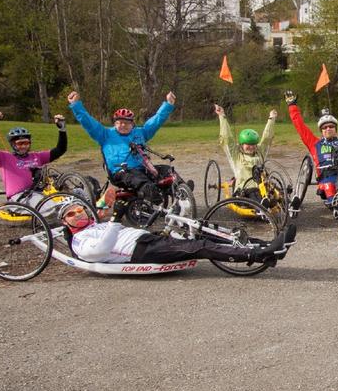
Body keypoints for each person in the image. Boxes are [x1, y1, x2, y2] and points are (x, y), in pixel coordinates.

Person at [59, 204, 297, 266]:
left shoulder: (94, 225)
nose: (78, 215)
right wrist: (113, 221)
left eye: (80, 210)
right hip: (140, 252)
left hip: (149, 239)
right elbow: (98, 251)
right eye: (72, 214)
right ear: (65, 222)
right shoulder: (81, 240)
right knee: (200, 246)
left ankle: (268, 246)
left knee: (206, 233)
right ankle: (260, 255)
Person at [68, 91, 176, 203]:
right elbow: (87, 121)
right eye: (119, 122)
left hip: (143, 169)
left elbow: (157, 120)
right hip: (121, 172)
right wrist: (76, 105)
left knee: (167, 170)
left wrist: (168, 104)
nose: (123, 125)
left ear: (132, 124)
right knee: (138, 178)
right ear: (115, 124)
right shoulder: (105, 135)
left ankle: (182, 192)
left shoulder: (141, 132)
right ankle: (153, 199)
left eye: (126, 123)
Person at [286, 89, 338, 215]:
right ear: (321, 130)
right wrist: (292, 106)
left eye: (331, 126)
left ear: (335, 128)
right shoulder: (315, 144)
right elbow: (300, 126)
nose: (328, 129)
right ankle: (335, 205)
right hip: (326, 177)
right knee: (329, 185)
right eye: (325, 127)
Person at [0, 109, 68, 212]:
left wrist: (62, 130)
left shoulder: (36, 156)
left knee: (71, 198)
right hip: (19, 199)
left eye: (26, 143)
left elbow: (60, 149)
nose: (24, 146)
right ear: (13, 144)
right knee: (53, 208)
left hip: (37, 194)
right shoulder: (4, 158)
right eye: (20, 144)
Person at [214, 104, 277, 202]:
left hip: (263, 187)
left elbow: (267, 138)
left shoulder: (259, 153)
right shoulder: (236, 155)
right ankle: (262, 207)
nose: (251, 147)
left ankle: (289, 203)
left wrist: (271, 119)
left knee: (276, 190)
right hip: (245, 190)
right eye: (247, 144)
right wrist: (222, 115)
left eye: (253, 144)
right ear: (241, 145)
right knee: (255, 193)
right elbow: (227, 138)